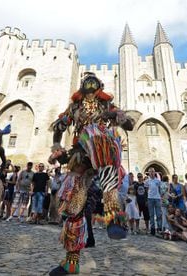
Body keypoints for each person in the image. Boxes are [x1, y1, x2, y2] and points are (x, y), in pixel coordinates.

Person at [48, 73, 134, 275]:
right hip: (80, 153)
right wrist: (57, 147)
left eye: (94, 80)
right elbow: (59, 126)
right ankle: (71, 261)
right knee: (74, 204)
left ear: (99, 87)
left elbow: (129, 124)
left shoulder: (107, 106)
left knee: (107, 168)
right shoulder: (75, 108)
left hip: (104, 147)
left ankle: (114, 217)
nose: (90, 82)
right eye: (87, 80)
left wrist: (114, 116)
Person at [146, 167, 162, 236]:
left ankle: (159, 229)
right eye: (150, 172)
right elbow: (146, 190)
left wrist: (160, 197)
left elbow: (160, 189)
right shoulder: (147, 181)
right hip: (150, 198)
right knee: (151, 215)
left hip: (157, 198)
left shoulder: (158, 181)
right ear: (148, 173)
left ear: (154, 172)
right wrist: (147, 198)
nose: (152, 173)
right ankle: (152, 230)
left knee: (158, 214)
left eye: (153, 171)